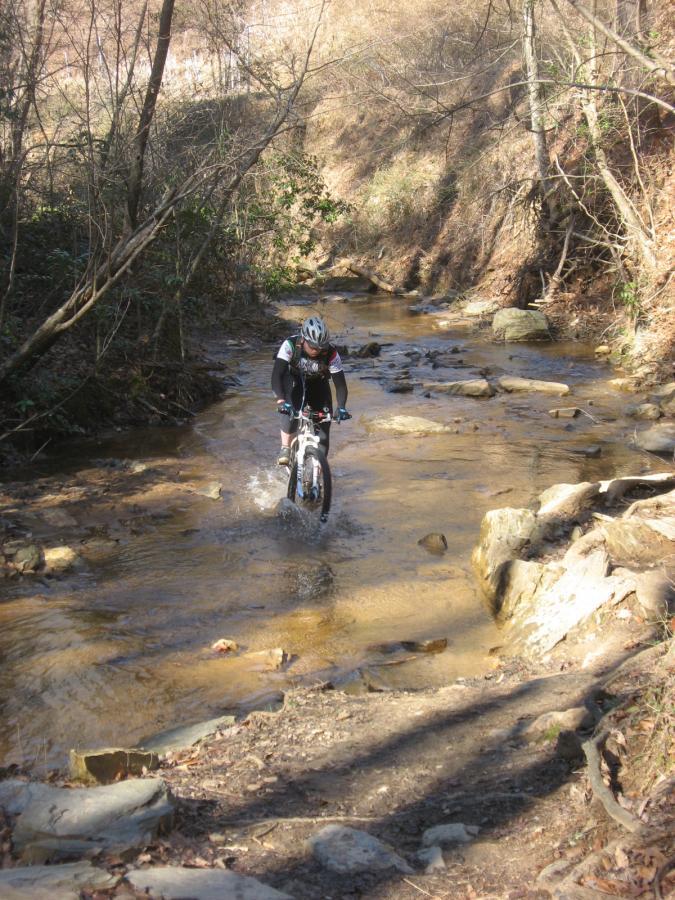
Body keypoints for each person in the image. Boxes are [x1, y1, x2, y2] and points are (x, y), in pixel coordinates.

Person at [272, 315, 350, 466]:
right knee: (291, 412)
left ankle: (318, 472)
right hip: (294, 381)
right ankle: (285, 448)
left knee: (324, 433)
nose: (317, 351)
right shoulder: (290, 345)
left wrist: (341, 407)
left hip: (318, 384)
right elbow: (277, 375)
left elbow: (340, 384)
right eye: (313, 347)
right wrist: (281, 400)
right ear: (303, 340)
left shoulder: (332, 353)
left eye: (322, 348)